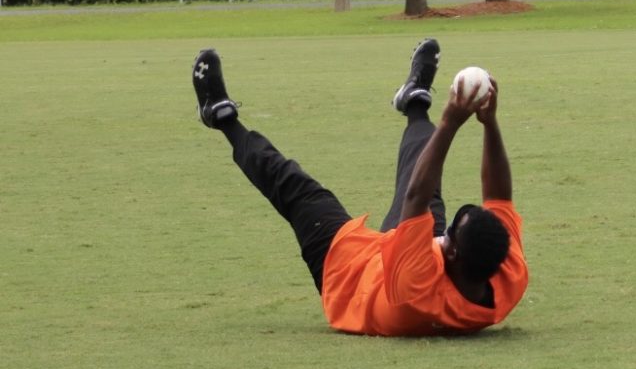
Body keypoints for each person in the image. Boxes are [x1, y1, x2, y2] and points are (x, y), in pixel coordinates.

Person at [191, 38, 528, 336]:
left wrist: (450, 122)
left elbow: (415, 195)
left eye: (452, 230)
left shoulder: (417, 288)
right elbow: (499, 196)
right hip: (407, 256)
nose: (447, 229)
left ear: (452, 252)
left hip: (349, 274)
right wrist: (490, 123)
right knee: (426, 176)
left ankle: (220, 117)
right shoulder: (507, 274)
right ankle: (414, 100)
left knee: (297, 188)